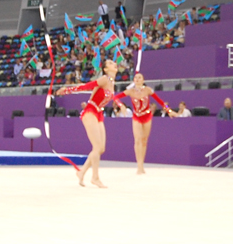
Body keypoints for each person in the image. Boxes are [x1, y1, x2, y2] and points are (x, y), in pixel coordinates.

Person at [57, 59, 118, 188]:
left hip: (99, 113)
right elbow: (87, 86)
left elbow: (96, 94)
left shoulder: (112, 83)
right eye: (111, 63)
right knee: (97, 147)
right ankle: (95, 178)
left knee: (101, 148)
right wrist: (67, 90)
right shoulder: (104, 79)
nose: (114, 64)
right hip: (90, 112)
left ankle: (81, 172)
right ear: (106, 69)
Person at [112, 73, 175, 174]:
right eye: (135, 78)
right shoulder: (130, 91)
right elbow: (114, 97)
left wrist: (169, 110)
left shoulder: (148, 90)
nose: (137, 79)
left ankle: (142, 164)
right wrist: (121, 105)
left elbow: (160, 101)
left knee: (144, 140)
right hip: (137, 116)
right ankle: (139, 166)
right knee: (137, 140)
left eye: (139, 77)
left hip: (147, 116)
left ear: (143, 80)